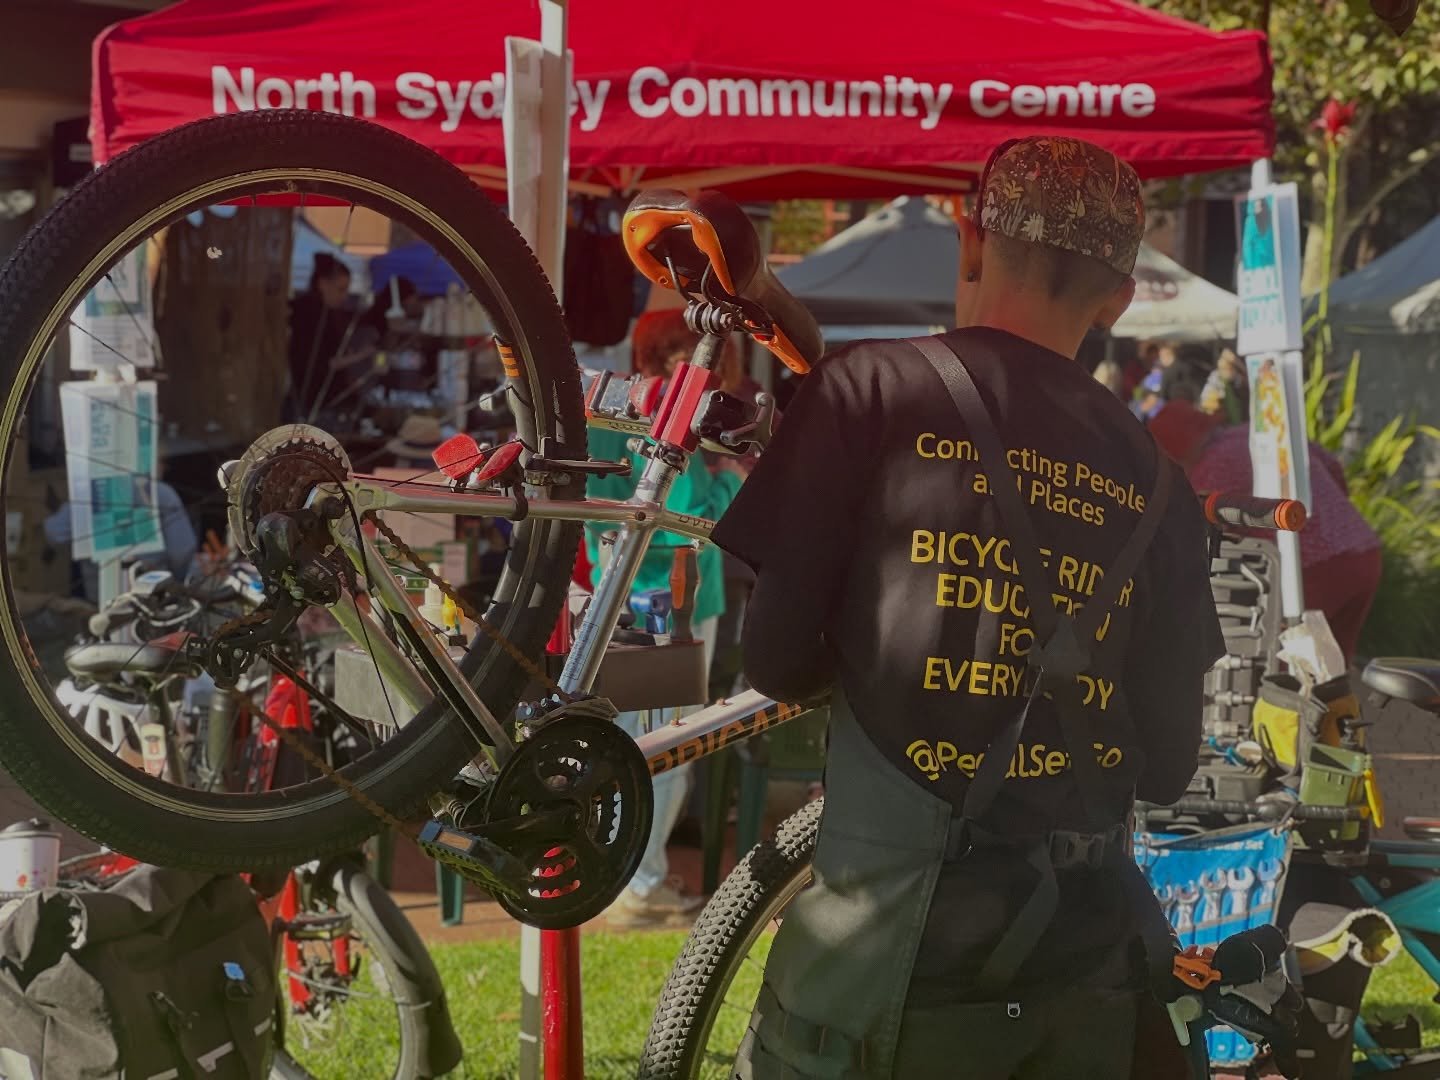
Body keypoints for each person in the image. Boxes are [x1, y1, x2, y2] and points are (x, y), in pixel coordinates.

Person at [710, 137, 1224, 1077]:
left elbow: (775, 662)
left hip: (879, 988)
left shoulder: (866, 392)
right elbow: (1167, 766)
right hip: (1083, 990)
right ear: (1118, 299)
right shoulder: (1163, 485)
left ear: (971, 238)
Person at [588, 309, 746, 925]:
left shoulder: (609, 413)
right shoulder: (672, 416)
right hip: (674, 601)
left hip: (615, 595)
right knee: (666, 747)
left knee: (623, 740)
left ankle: (617, 872)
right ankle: (642, 882)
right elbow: (685, 520)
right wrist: (729, 482)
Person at [1149, 399, 1382, 662]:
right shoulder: (1255, 433)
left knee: (1287, 666)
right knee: (1333, 666)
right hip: (1363, 550)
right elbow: (1334, 467)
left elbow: (1192, 535)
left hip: (1311, 566)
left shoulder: (1210, 468)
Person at [285, 254, 359, 421]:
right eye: (341, 289)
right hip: (314, 402)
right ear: (323, 284)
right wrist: (365, 353)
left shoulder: (325, 313)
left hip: (315, 400)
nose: (344, 296)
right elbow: (328, 362)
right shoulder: (311, 316)